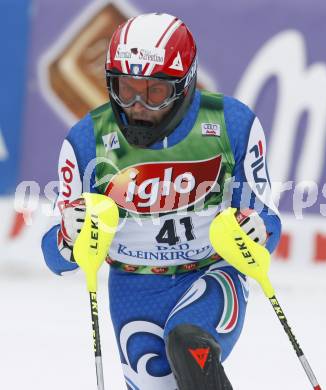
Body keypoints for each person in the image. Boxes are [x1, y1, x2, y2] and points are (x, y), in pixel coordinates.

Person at [42, 12, 281, 390]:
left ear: (185, 85)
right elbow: (56, 259)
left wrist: (259, 228)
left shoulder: (230, 124)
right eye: (126, 88)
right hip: (132, 286)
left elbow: (266, 220)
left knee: (187, 341)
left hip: (210, 272)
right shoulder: (86, 140)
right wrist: (67, 239)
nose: (138, 104)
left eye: (155, 92)